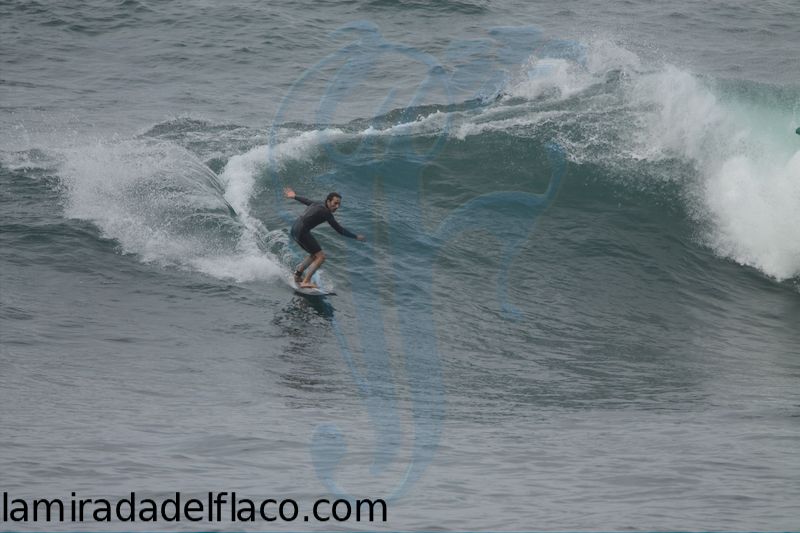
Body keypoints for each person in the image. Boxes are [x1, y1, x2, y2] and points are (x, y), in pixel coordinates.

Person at [284, 187, 365, 288]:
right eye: (335, 203)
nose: (337, 206)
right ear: (328, 201)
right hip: (302, 230)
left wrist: (294, 196)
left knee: (314, 255)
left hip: (295, 229)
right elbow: (339, 230)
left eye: (339, 204)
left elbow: (307, 201)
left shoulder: (318, 203)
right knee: (321, 257)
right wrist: (355, 236)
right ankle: (306, 281)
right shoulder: (326, 213)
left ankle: (297, 275)